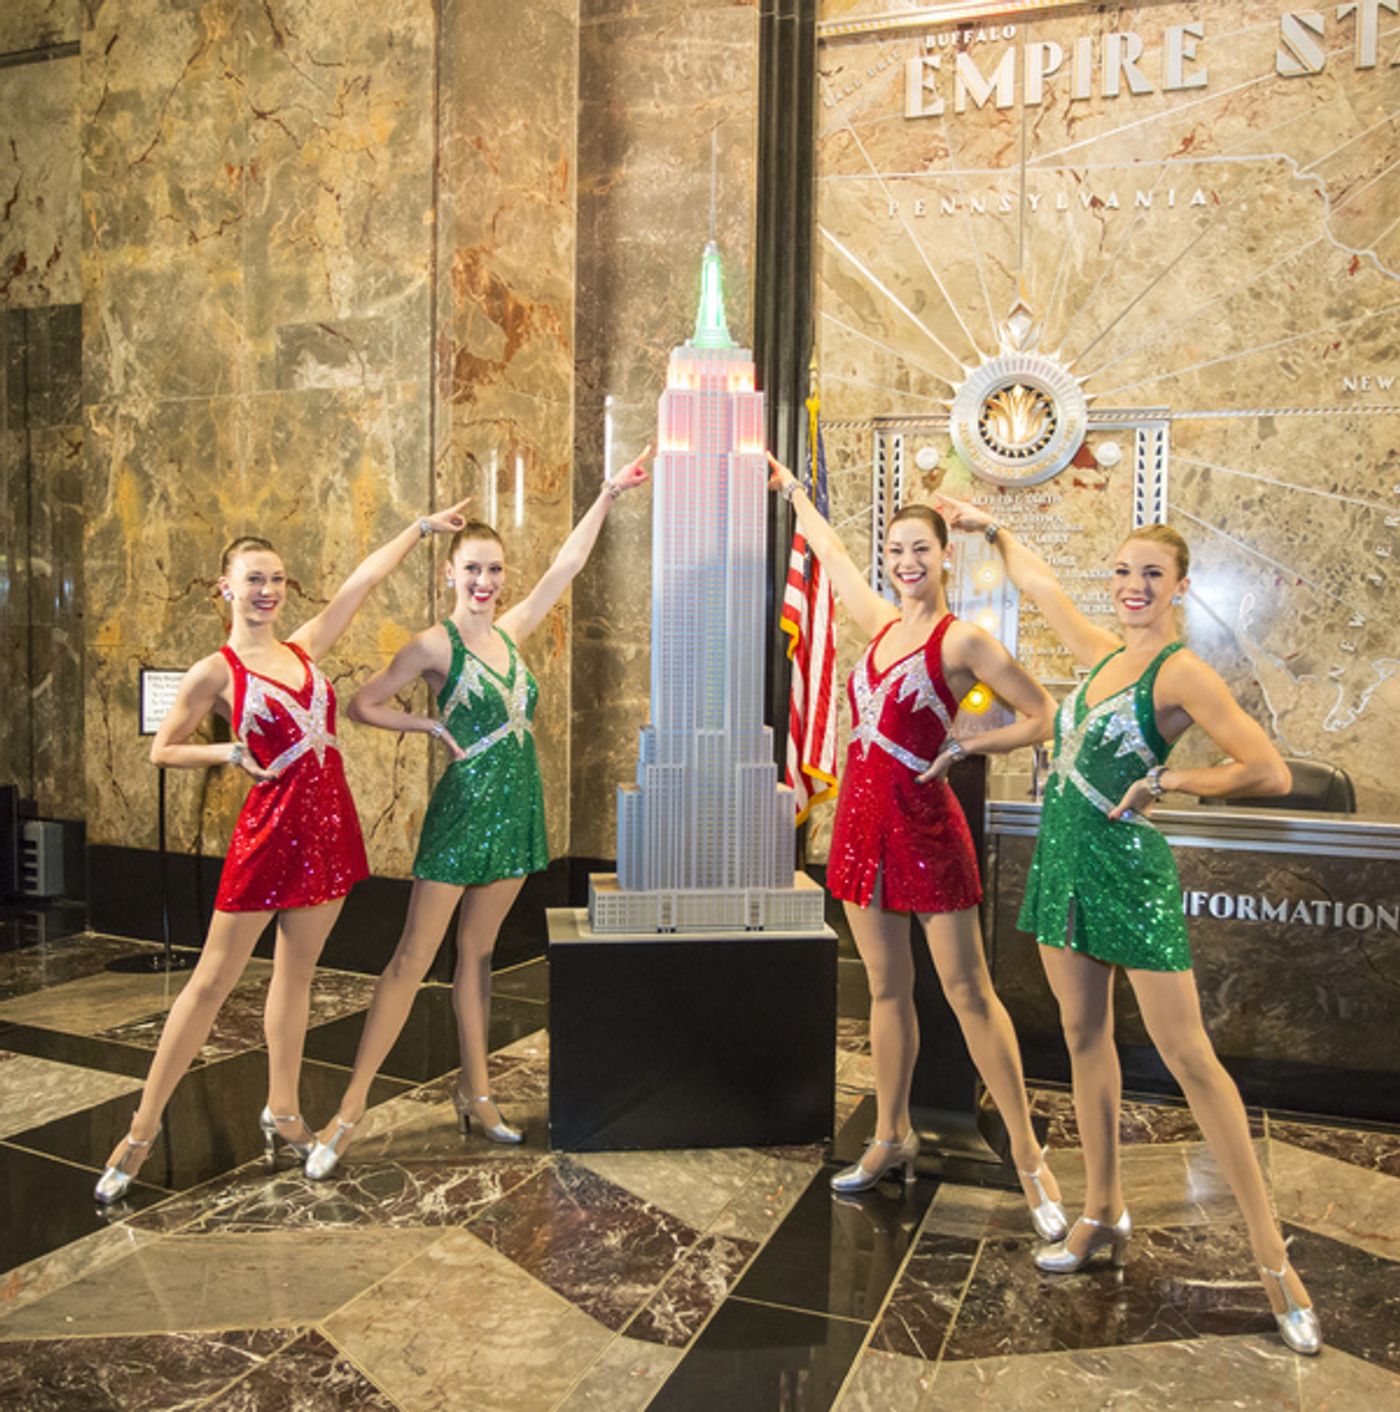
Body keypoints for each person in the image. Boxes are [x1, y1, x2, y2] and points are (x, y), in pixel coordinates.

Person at [932, 493, 1320, 1357]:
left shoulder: (1179, 673)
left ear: (1179, 588)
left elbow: (1268, 770)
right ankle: (1101, 1210)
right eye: (1123, 571)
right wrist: (989, 528)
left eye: (1152, 574)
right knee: (1082, 1038)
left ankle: (1273, 1262)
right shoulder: (1102, 653)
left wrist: (1173, 786)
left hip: (1129, 873)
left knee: (1191, 1060)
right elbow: (1038, 588)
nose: (1133, 585)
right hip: (1063, 867)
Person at [95, 503, 471, 1203]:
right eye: (254, 579)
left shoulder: (303, 649)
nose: (267, 590)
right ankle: (142, 1129)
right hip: (268, 835)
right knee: (210, 983)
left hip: (329, 833)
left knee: (296, 975)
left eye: (276, 579)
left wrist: (419, 530)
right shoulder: (218, 670)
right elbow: (162, 748)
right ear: (226, 589)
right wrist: (229, 750)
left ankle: (286, 1108)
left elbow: (359, 583)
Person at [303, 450, 650, 1179]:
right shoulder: (436, 644)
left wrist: (608, 494)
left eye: (494, 570)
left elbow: (566, 566)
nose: (485, 583)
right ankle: (349, 1111)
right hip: (463, 815)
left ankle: (478, 1092)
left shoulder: (513, 631)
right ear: (451, 574)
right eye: (473, 570)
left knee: (479, 956)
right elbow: (363, 703)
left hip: (517, 810)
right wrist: (428, 729)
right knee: (410, 959)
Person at [766, 455, 1065, 1236]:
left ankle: (1031, 1159)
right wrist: (797, 493)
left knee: (968, 994)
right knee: (885, 991)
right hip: (862, 828)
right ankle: (890, 1135)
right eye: (895, 551)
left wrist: (971, 749)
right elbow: (830, 557)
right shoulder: (879, 624)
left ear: (943, 557)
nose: (905, 563)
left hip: (928, 829)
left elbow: (1041, 714)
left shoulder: (962, 640)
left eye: (919, 550)